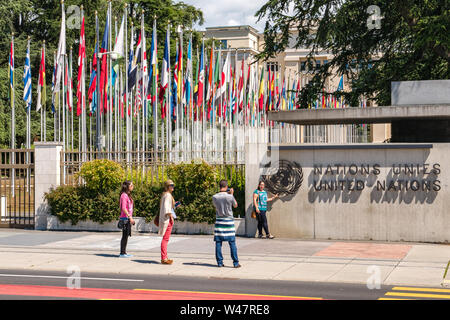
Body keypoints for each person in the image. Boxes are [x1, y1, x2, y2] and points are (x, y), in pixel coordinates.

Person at [212, 180, 241, 268]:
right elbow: (235, 205)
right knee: (232, 242)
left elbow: (215, 206)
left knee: (218, 242)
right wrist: (231, 194)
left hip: (219, 221)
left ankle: (219, 262)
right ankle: (235, 263)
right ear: (226, 186)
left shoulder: (215, 197)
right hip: (228, 221)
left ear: (220, 186)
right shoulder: (230, 196)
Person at [159, 179, 177, 265]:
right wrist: (171, 216)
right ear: (167, 187)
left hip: (166, 219)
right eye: (171, 185)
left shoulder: (165, 195)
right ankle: (164, 258)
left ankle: (164, 257)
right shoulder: (168, 195)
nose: (173, 187)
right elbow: (167, 208)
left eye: (173, 185)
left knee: (165, 239)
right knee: (165, 239)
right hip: (167, 219)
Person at [119, 181, 135, 258]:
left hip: (127, 218)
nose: (133, 186)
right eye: (131, 185)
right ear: (127, 186)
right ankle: (122, 253)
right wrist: (130, 217)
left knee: (126, 235)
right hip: (125, 218)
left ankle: (124, 252)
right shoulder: (124, 195)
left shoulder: (127, 195)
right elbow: (123, 208)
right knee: (124, 236)